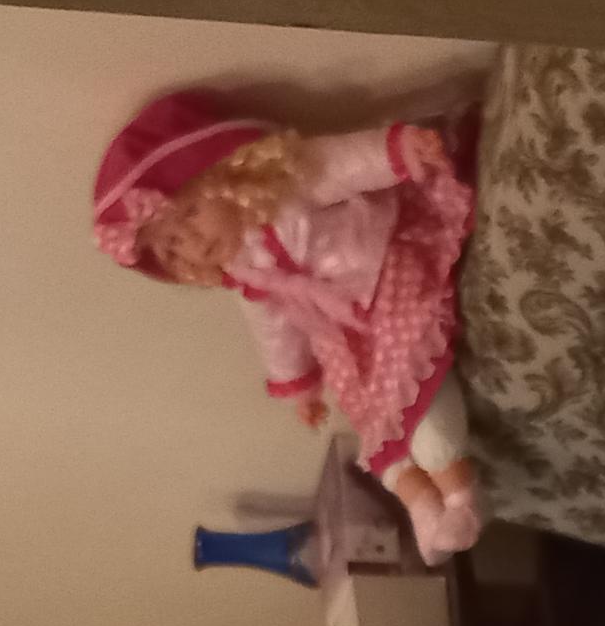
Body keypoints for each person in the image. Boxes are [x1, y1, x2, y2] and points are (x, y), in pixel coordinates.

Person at [93, 87, 483, 558]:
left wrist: (398, 150)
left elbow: (340, 165)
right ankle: (423, 510)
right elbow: (274, 328)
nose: (192, 244)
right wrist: (299, 385)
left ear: (224, 175)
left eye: (191, 214)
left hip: (385, 273)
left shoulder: (284, 188)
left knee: (416, 390)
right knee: (371, 418)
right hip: (343, 332)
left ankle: (460, 499)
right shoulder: (242, 272)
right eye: (173, 247)